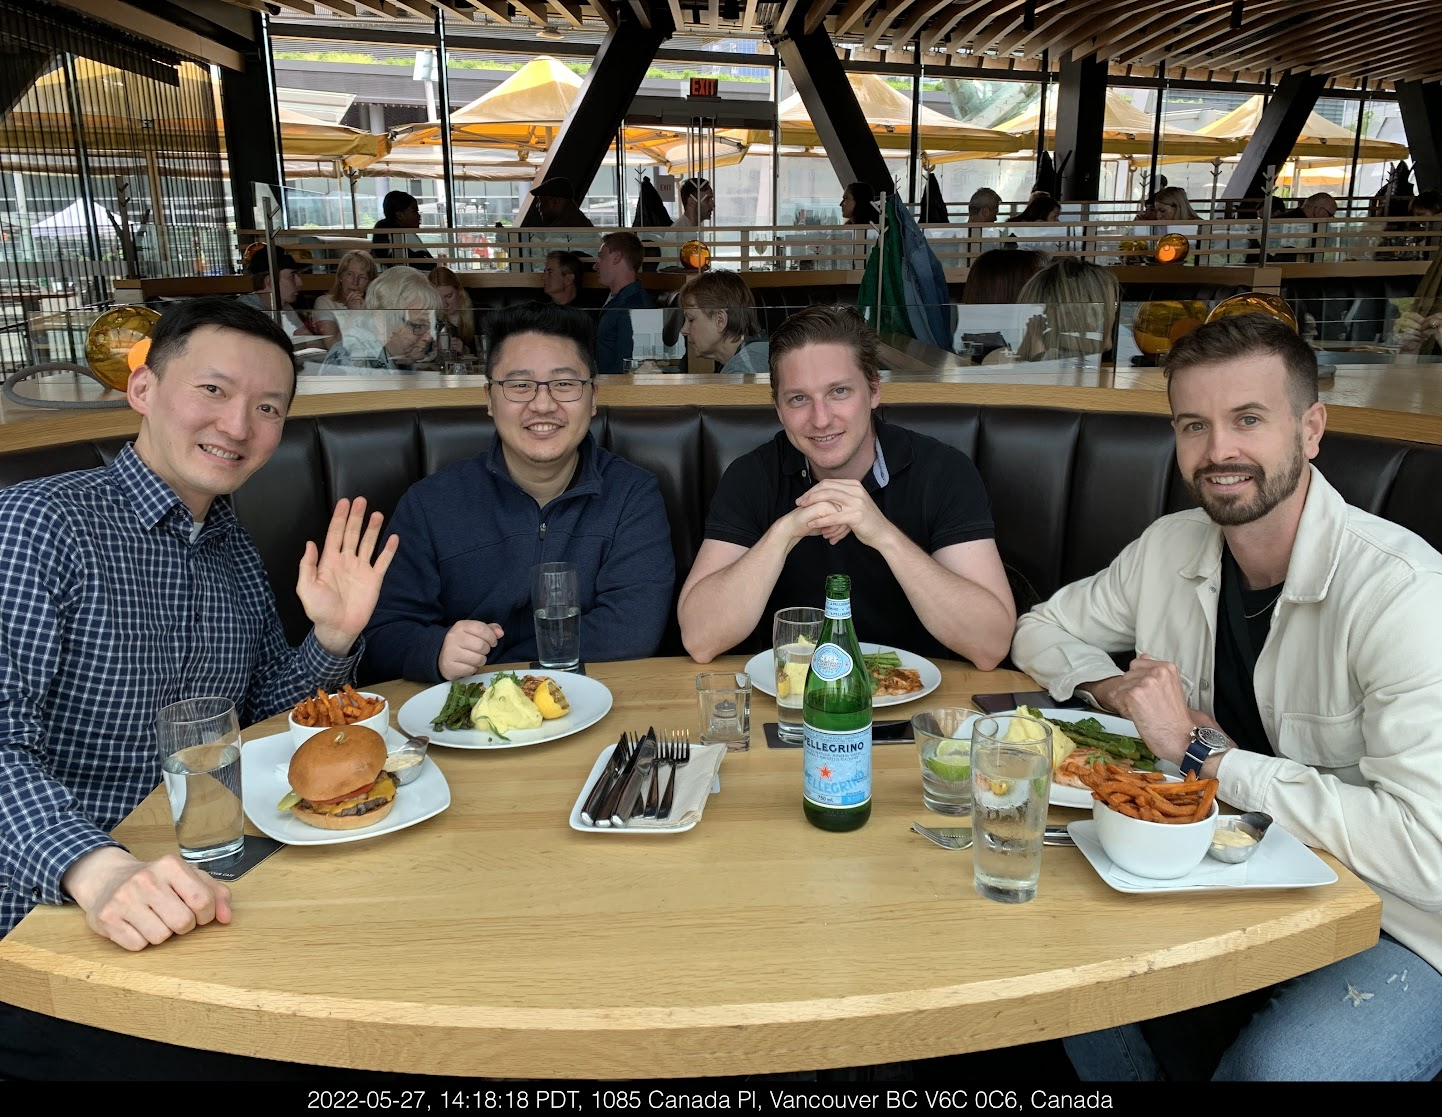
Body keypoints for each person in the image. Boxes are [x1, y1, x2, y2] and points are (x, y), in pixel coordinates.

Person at [1012, 314, 1442, 1082]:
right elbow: (1040, 628)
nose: (1218, 452)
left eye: (1248, 419)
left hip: (1399, 927)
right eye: (1193, 424)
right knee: (1046, 982)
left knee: (1274, 1072)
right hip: (1216, 879)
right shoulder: (1168, 546)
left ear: (1311, 429)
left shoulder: (1404, 594)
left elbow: (1427, 852)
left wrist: (1204, 754)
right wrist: (1112, 686)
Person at [0, 298, 396, 951]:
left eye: (268, 408)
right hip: (50, 916)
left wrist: (331, 636)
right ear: (143, 387)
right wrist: (96, 870)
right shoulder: (39, 525)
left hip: (206, 889)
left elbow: (262, 711)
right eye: (213, 389)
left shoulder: (231, 546)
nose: (238, 424)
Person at [677, 304, 1015, 667]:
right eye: (799, 398)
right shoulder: (752, 476)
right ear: (777, 408)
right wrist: (787, 530)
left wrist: (883, 534)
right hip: (794, 703)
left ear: (872, 391)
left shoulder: (942, 471)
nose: (821, 420)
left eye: (839, 392)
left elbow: (990, 645)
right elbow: (700, 639)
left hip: (918, 704)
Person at [360, 302, 674, 682]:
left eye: (564, 384)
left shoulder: (631, 494)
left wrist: (502, 668)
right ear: (490, 399)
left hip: (595, 709)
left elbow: (632, 631)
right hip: (468, 724)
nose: (542, 404)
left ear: (593, 398)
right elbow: (382, 632)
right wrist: (437, 649)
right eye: (520, 385)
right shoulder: (430, 504)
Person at [319, 266, 441, 374]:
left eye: (432, 326)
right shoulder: (355, 363)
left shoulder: (395, 356)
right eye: (418, 326)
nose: (429, 337)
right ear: (381, 321)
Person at [1009, 257, 1119, 364]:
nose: (1045, 312)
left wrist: (1035, 336)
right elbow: (1020, 360)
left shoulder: (1078, 349)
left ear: (1073, 311)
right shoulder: (1055, 338)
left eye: (1050, 306)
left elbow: (1039, 366)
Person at [678, 270, 768, 373]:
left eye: (691, 319)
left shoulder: (742, 370)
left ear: (720, 320)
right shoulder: (755, 353)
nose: (683, 330)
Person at [594, 231, 653, 374]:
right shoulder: (619, 301)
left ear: (617, 257)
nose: (595, 266)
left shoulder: (634, 307)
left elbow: (628, 368)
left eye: (601, 257)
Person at [237, 246, 310, 342]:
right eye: (292, 276)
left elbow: (311, 341)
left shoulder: (282, 305)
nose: (300, 283)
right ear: (270, 282)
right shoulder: (245, 311)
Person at [312, 249, 377, 349]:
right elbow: (331, 346)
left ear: (370, 282)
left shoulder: (376, 304)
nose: (355, 282)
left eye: (362, 277)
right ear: (341, 276)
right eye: (350, 274)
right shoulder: (325, 302)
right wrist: (354, 315)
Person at [371, 191, 436, 271]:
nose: (419, 216)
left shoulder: (383, 233)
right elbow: (430, 267)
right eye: (414, 211)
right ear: (400, 215)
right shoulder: (403, 236)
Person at [428, 264, 477, 355]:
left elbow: (493, 353)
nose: (444, 304)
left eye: (448, 296)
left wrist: (466, 351)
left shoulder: (481, 315)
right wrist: (432, 351)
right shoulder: (430, 320)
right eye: (438, 299)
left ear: (460, 291)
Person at [528, 176, 594, 229]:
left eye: (541, 201)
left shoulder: (567, 230)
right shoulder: (576, 223)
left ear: (557, 201)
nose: (538, 205)